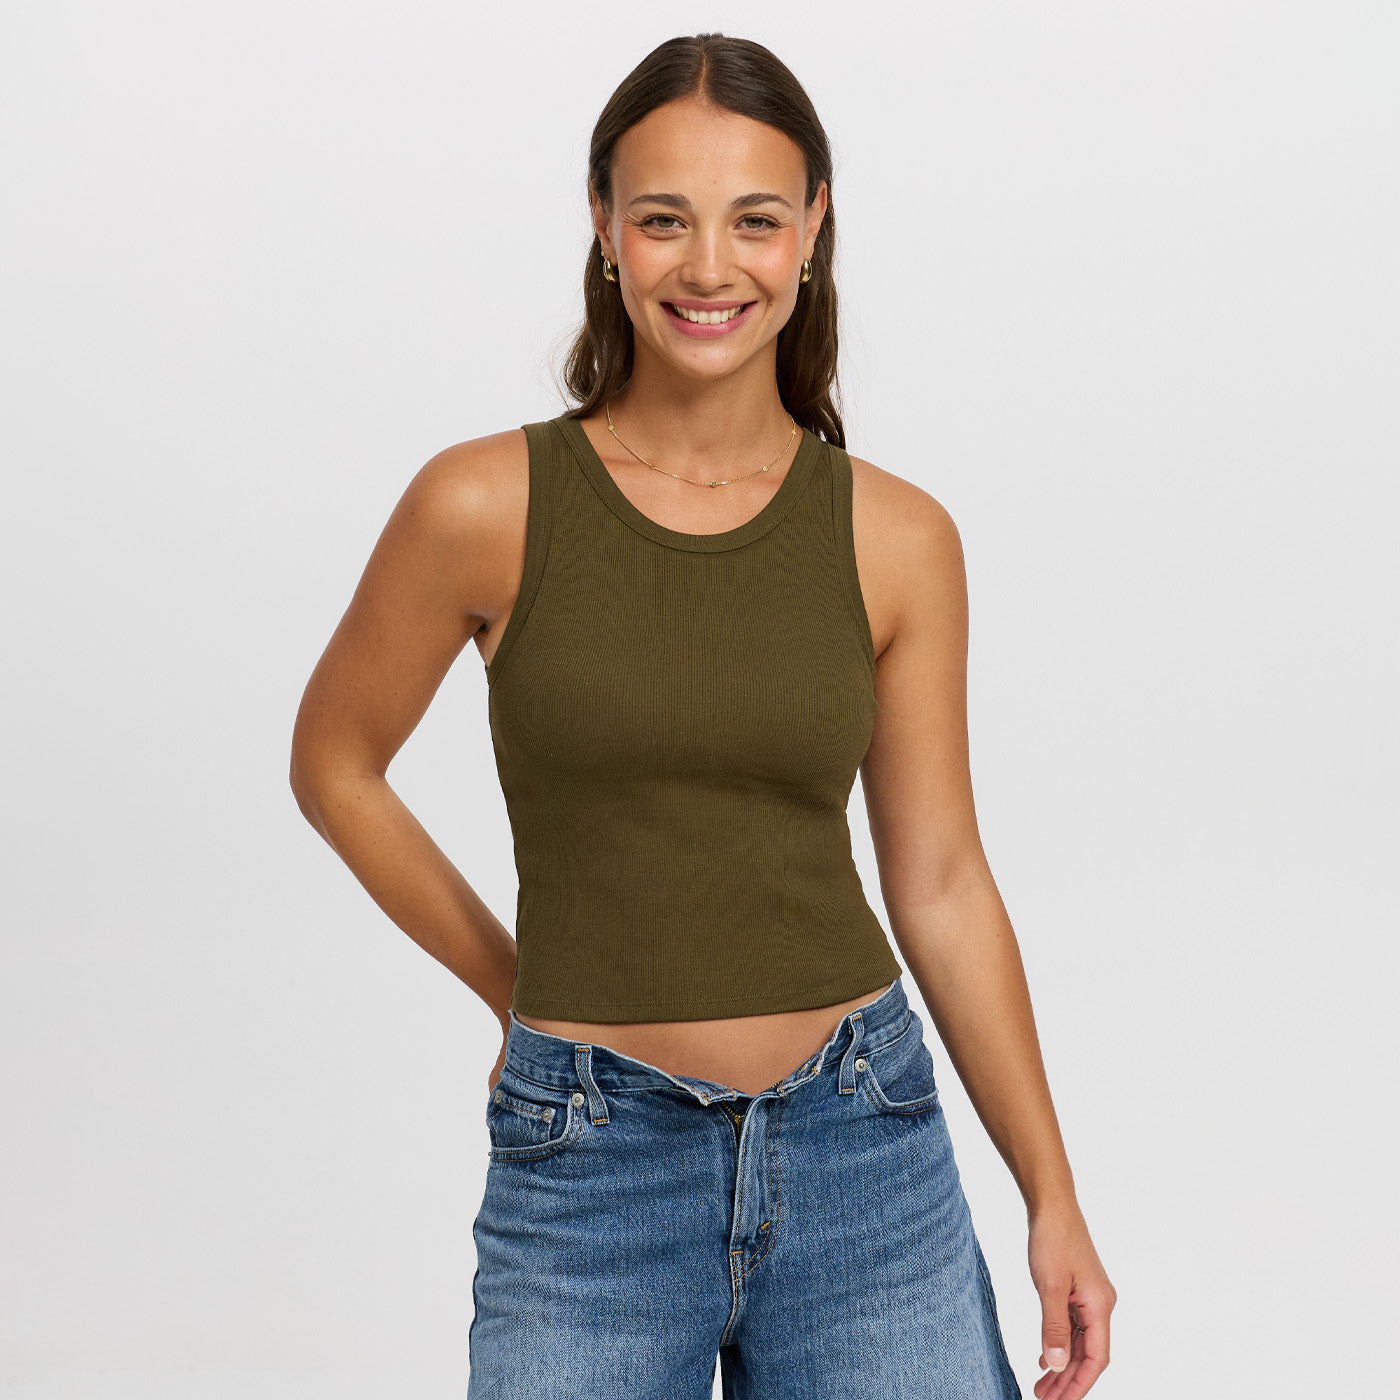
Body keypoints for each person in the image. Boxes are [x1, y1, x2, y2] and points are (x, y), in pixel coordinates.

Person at [289, 31, 1116, 1400]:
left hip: (865, 1150)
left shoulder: (898, 538)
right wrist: (511, 987)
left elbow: (943, 881)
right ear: (604, 226)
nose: (711, 266)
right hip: (591, 1176)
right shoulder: (482, 506)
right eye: (665, 219)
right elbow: (335, 765)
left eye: (756, 220)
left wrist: (1053, 1193)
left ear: (814, 230)